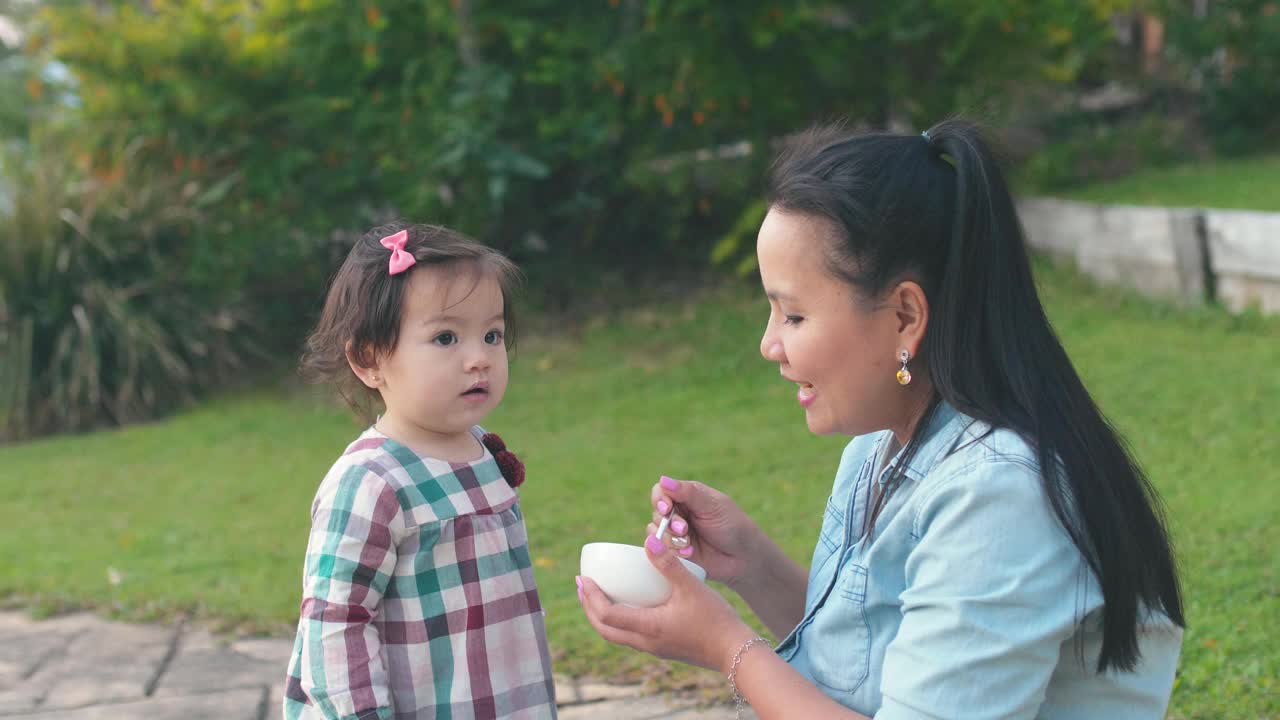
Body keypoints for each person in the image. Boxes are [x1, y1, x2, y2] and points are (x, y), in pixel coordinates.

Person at [577, 120, 1185, 719]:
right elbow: (868, 657)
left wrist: (727, 648)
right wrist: (751, 565)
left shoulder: (1001, 494)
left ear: (904, 317)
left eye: (792, 316)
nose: (769, 345)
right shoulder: (884, 447)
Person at [286, 223, 557, 719]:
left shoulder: (482, 452)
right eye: (446, 337)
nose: (479, 359)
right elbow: (335, 624)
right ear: (370, 360)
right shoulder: (372, 482)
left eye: (492, 335)